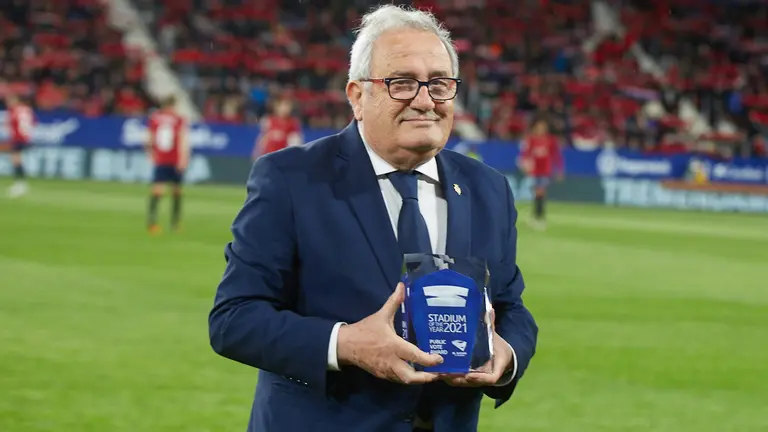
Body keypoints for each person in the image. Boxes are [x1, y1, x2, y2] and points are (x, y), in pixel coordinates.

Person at [209, 5, 538, 432]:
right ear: (357, 96)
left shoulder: (487, 188)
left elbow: (511, 307)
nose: (424, 101)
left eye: (439, 84)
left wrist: (506, 354)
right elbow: (234, 318)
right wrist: (346, 344)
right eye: (402, 83)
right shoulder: (291, 179)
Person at [145, 95, 189, 234]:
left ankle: (153, 223)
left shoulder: (155, 118)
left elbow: (149, 137)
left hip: (162, 160)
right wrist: (184, 159)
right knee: (175, 191)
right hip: (173, 160)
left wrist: (150, 153)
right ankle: (174, 224)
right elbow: (183, 139)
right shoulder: (179, 119)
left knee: (160, 190)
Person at [518, 117, 564, 230]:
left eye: (543, 128)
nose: (540, 130)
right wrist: (525, 164)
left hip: (545, 170)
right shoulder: (532, 140)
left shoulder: (551, 140)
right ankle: (537, 217)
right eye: (538, 128)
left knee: (540, 192)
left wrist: (559, 170)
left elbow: (556, 156)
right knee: (537, 193)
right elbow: (526, 153)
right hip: (535, 170)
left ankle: (539, 218)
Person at [4, 95, 35, 198]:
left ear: (16, 100)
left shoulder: (15, 110)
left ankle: (20, 185)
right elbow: (34, 122)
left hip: (18, 138)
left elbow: (14, 124)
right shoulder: (26, 109)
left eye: (10, 100)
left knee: (16, 160)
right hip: (24, 137)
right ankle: (20, 184)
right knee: (17, 160)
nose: (8, 103)